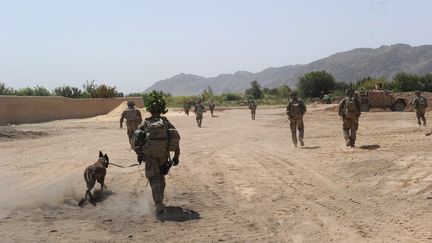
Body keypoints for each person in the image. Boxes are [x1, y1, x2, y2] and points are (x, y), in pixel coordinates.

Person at [134, 91, 180, 214]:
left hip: (149, 155)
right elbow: (174, 136)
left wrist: (139, 154)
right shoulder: (165, 121)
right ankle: (160, 200)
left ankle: (159, 203)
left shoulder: (146, 122)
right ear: (160, 110)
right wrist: (176, 155)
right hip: (164, 155)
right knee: (161, 178)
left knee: (153, 178)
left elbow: (137, 137)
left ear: (150, 111)